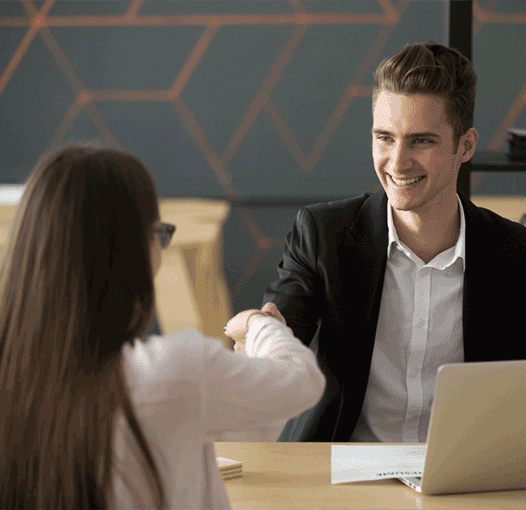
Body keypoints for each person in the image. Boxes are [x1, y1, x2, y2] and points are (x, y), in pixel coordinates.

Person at [263, 41, 526, 443]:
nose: (397, 162)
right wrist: (263, 331)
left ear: (465, 146)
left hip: (471, 482)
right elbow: (280, 333)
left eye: (421, 141)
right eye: (384, 138)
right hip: (344, 480)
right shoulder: (324, 235)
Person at [0, 145, 325, 509]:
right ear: (135, 250)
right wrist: (260, 325)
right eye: (159, 232)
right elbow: (302, 382)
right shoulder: (175, 369)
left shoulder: (15, 378)